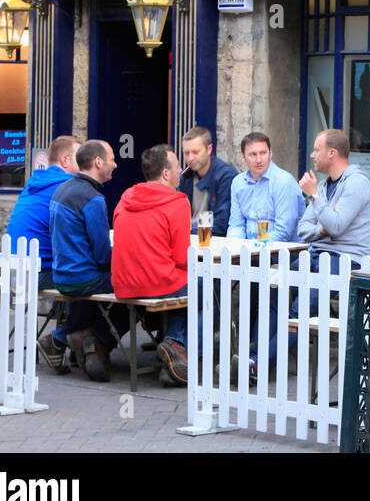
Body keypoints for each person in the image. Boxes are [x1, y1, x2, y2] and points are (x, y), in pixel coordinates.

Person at [249, 129, 370, 377]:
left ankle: (257, 365)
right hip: (316, 255)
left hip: (345, 261)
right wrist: (323, 226)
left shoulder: (356, 183)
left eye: (317, 150)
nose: (312, 155)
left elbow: (336, 225)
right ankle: (255, 353)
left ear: (332, 153)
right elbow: (304, 229)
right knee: (275, 288)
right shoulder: (326, 186)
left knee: (302, 309)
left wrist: (315, 197)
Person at [49, 140, 129, 382]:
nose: (115, 164)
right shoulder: (93, 199)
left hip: (60, 275)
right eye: (112, 159)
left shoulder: (62, 189)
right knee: (134, 291)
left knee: (102, 291)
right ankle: (93, 339)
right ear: (98, 162)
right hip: (83, 279)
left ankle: (60, 339)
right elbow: (103, 256)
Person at [111, 144, 191, 386]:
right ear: (166, 174)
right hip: (158, 283)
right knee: (201, 283)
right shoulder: (178, 202)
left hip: (123, 284)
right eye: (177, 166)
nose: (181, 170)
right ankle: (175, 343)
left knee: (171, 279)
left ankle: (99, 339)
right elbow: (182, 258)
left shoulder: (125, 198)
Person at [6, 135, 81, 374]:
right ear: (66, 159)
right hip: (38, 272)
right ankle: (66, 339)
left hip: (16, 269)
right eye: (81, 157)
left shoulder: (36, 181)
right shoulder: (67, 186)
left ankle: (71, 341)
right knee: (89, 280)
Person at [227, 132, 305, 242]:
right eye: (253, 154)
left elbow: (283, 232)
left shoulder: (283, 181)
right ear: (243, 157)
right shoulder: (238, 182)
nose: (259, 160)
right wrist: (234, 249)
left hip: (283, 254)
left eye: (263, 153)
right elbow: (236, 226)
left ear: (270, 153)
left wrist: (253, 248)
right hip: (249, 253)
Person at [178, 126, 238, 237]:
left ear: (209, 149)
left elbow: (222, 224)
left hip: (214, 243)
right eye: (186, 153)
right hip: (187, 241)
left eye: (196, 152)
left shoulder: (226, 176)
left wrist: (186, 232)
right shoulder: (185, 177)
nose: (190, 158)